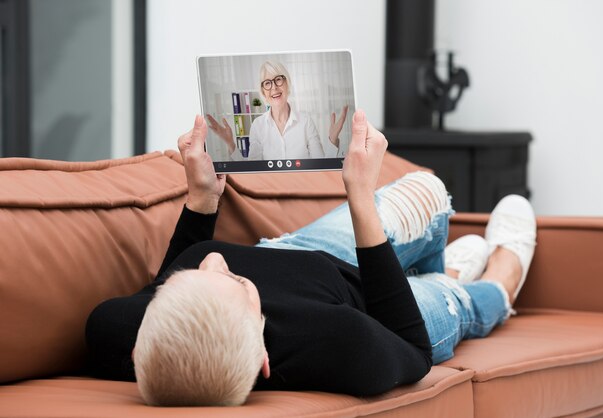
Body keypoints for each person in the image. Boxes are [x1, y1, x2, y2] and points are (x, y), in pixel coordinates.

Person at [85, 110, 536, 407]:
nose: (214, 261)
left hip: (301, 255)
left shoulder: (116, 329)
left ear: (137, 347)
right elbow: (414, 350)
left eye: (184, 280)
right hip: (379, 312)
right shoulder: (344, 345)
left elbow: (185, 287)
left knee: (428, 189)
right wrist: (360, 196)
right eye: (237, 283)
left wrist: (204, 196)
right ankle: (492, 279)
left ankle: (440, 270)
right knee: (456, 299)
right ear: (263, 357)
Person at [206, 60, 349, 160]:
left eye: (278, 80)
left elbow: (320, 166)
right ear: (263, 91)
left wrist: (332, 139)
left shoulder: (306, 121)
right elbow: (252, 172)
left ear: (287, 83)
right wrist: (231, 144)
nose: (274, 87)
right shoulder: (258, 125)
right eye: (267, 83)